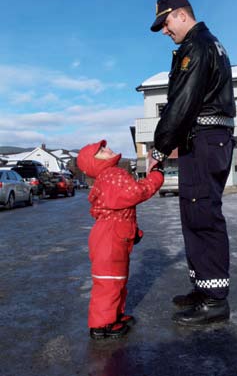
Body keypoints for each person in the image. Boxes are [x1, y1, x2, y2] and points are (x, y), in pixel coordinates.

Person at [148, 0, 236, 326]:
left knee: (202, 214)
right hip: (206, 140)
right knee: (195, 212)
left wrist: (159, 148)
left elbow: (182, 104)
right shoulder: (209, 44)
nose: (165, 31)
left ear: (182, 15)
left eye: (166, 22)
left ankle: (215, 301)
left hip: (204, 141)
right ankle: (204, 289)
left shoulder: (196, 48)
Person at [77, 139, 164, 339]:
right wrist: (156, 176)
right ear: (94, 162)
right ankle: (102, 326)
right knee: (109, 281)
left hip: (110, 234)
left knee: (116, 279)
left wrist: (134, 232)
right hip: (111, 237)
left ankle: (114, 315)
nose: (107, 148)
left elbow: (118, 208)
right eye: (101, 149)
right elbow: (135, 193)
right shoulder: (112, 174)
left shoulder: (106, 176)